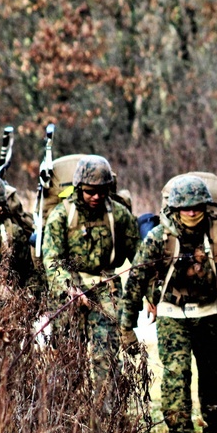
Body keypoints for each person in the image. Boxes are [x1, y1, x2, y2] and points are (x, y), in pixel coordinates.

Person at [120, 176, 217, 433]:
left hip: (210, 314)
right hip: (172, 316)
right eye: (185, 208)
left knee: (214, 379)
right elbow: (136, 280)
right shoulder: (159, 237)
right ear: (175, 209)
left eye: (196, 207)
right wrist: (126, 326)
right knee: (176, 376)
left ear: (205, 206)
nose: (191, 212)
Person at [42, 155, 140, 386]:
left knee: (106, 358)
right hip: (69, 296)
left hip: (107, 291)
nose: (96, 197)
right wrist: (69, 288)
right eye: (90, 192)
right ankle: (67, 416)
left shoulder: (118, 215)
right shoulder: (62, 215)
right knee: (67, 360)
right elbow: (52, 259)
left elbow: (138, 256)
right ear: (79, 188)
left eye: (102, 191)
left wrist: (149, 294)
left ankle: (106, 416)